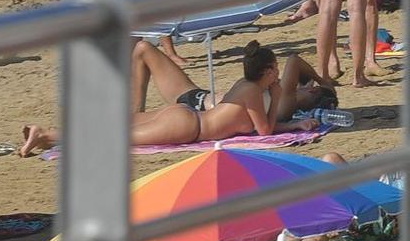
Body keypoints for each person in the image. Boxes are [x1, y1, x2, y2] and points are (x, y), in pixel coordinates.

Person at [20, 39, 325, 155]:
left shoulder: (244, 86)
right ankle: (46, 134)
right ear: (269, 71)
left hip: (183, 115)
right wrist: (290, 118)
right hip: (187, 128)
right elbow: (264, 132)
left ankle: (48, 135)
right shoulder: (257, 93)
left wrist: (295, 125)